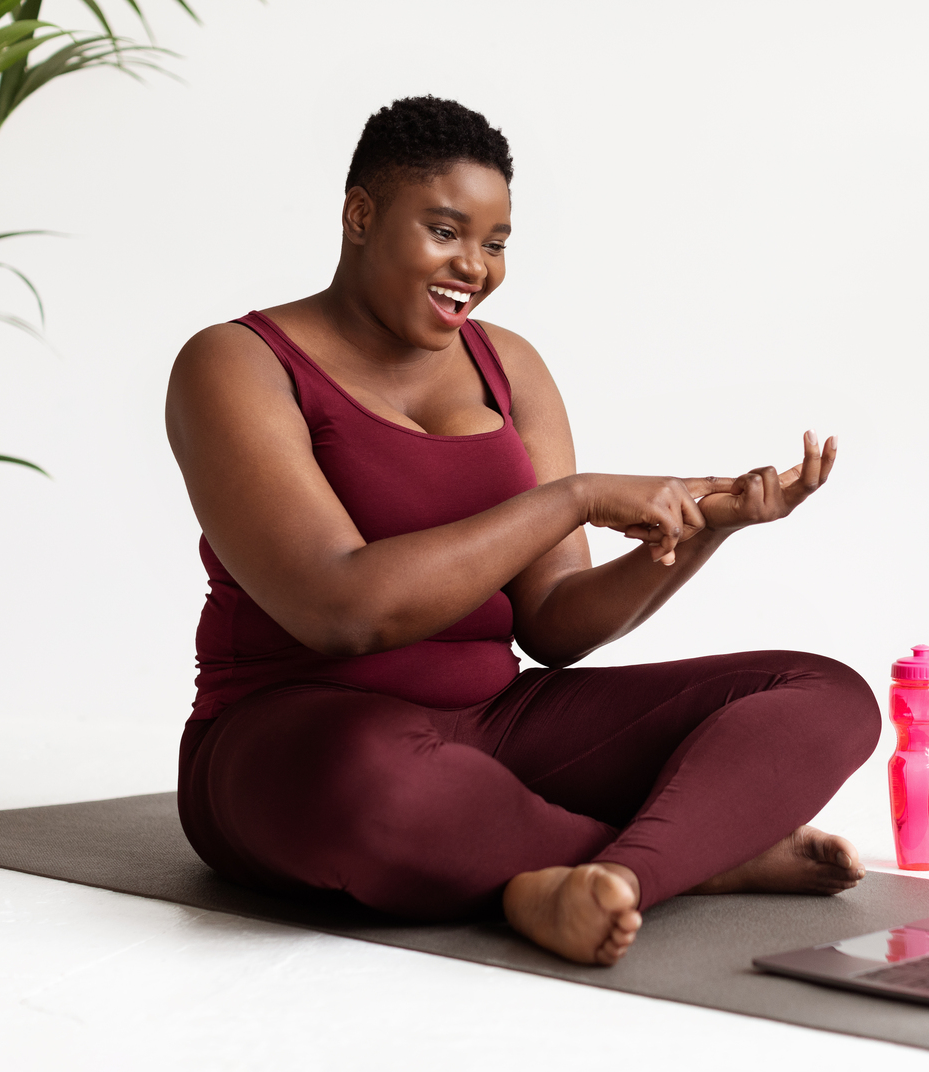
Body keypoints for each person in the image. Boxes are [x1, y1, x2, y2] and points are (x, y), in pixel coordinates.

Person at [165, 96, 880, 966]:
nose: (474, 266)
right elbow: (342, 609)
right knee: (379, 790)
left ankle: (604, 875)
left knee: (822, 694)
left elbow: (554, 623)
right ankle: (686, 859)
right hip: (296, 738)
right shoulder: (237, 363)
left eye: (496, 242)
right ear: (360, 215)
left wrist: (704, 530)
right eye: (445, 232)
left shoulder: (509, 366)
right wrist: (571, 498)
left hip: (496, 725)